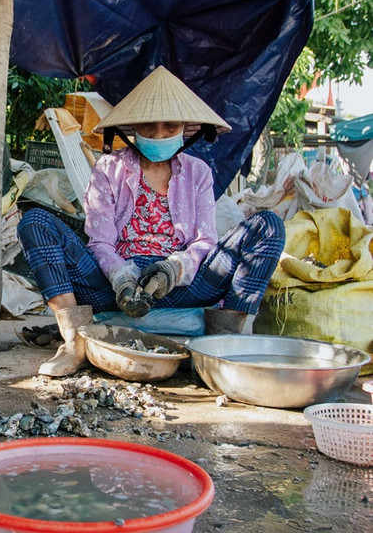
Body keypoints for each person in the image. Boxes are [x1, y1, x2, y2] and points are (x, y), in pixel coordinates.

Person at [17, 66, 285, 377]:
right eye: (148, 126)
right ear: (133, 128)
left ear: (186, 128)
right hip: (111, 288)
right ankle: (74, 341)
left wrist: (175, 268)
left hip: (184, 287)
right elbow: (100, 242)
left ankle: (225, 343)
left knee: (268, 226)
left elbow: (204, 242)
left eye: (170, 126)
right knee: (34, 221)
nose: (158, 135)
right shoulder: (109, 169)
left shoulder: (197, 173)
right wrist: (121, 276)